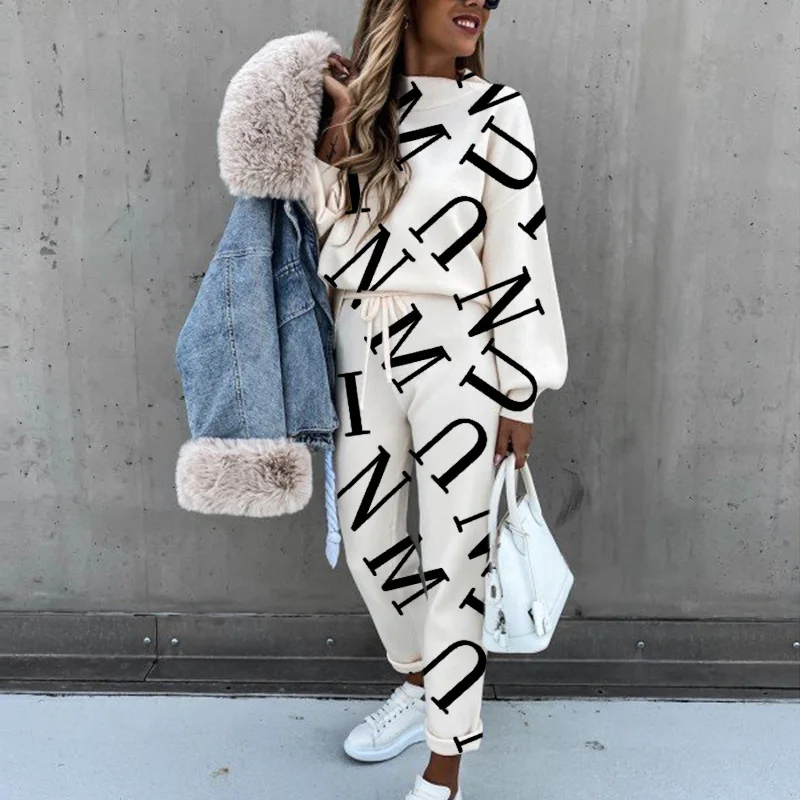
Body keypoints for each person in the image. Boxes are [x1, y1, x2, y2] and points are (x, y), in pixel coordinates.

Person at [311, 1, 568, 798]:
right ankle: (422, 681)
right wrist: (340, 125)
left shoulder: (497, 111)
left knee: (457, 557)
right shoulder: (355, 107)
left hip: (459, 344)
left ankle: (444, 765)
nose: (478, 3)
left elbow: (518, 252)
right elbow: (327, 235)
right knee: (368, 541)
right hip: (359, 337)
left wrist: (519, 393)